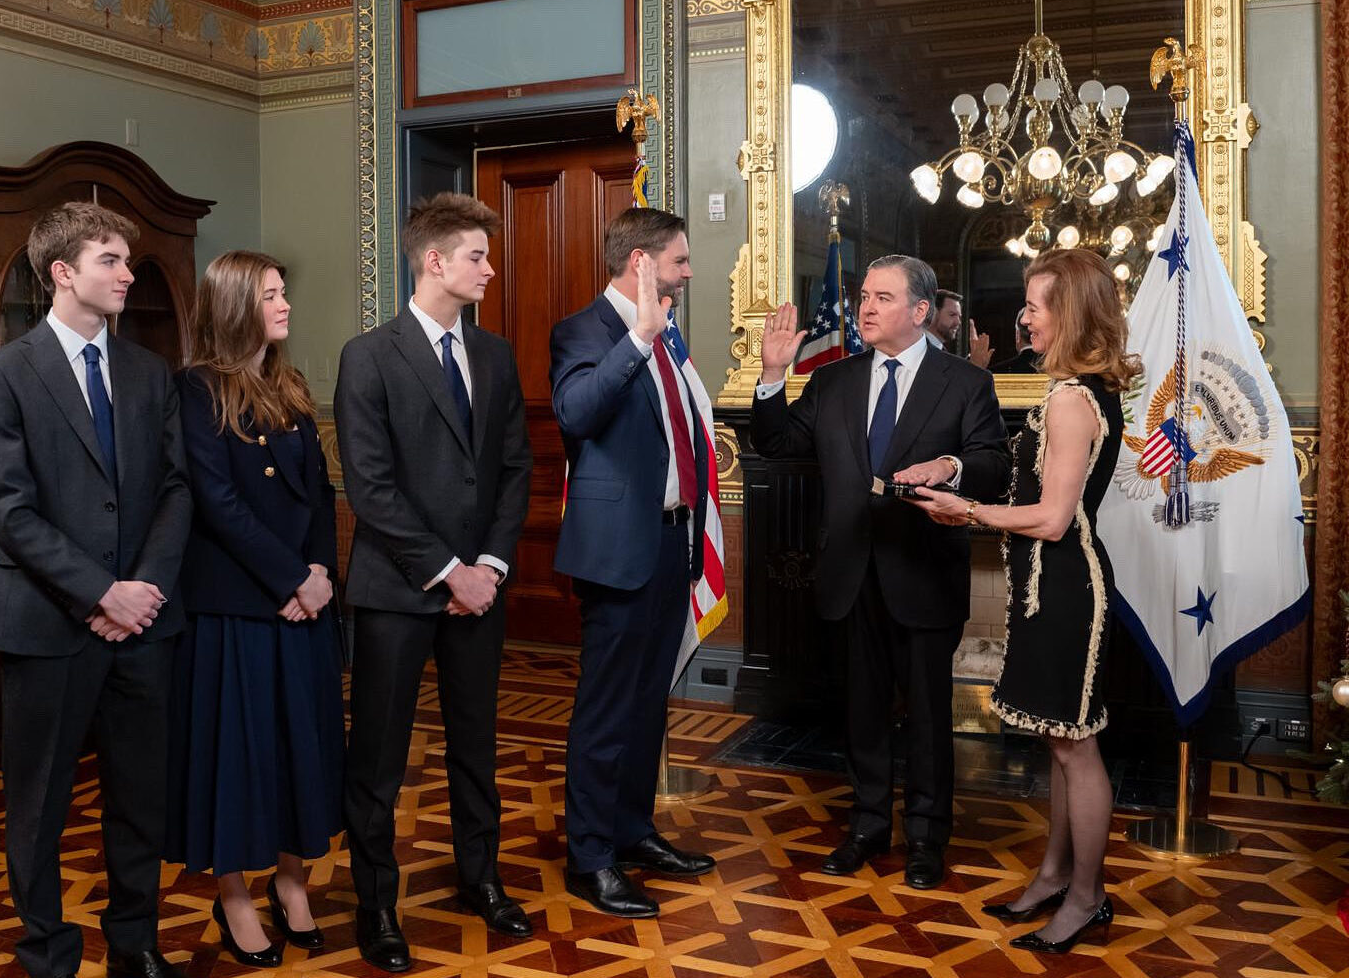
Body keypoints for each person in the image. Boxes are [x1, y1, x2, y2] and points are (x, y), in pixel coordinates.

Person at [0, 202, 191, 978]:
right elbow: (11, 512)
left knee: (141, 796)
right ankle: (47, 954)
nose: (128, 274)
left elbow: (176, 488)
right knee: (39, 805)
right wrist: (102, 594)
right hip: (47, 623)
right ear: (63, 273)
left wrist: (144, 591)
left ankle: (134, 943)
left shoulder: (149, 371)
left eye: (128, 261)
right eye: (110, 260)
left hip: (146, 623)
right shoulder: (2, 373)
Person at [752, 254, 1009, 890]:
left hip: (922, 571)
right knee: (861, 711)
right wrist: (772, 374)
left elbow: (992, 462)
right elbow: (777, 444)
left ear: (920, 312)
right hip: (848, 573)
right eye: (864, 296)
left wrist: (947, 467)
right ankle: (867, 825)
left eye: (883, 298)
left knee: (927, 712)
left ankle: (925, 836)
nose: (865, 308)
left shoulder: (963, 383)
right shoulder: (834, 381)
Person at [908, 248, 1137, 953]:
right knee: (1060, 744)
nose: (1025, 318)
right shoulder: (1079, 388)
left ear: (1067, 314)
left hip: (1067, 590)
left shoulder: (1072, 399)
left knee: (1076, 748)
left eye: (1036, 306)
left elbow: (1052, 519)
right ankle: (1054, 875)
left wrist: (966, 510)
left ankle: (1087, 896)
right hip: (1047, 589)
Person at [334, 192, 534, 972]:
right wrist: (448, 571)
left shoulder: (495, 354)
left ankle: (481, 879)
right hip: (396, 591)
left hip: (482, 591)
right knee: (378, 757)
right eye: (478, 255)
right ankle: (377, 905)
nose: (490, 268)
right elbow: (370, 487)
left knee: (476, 746)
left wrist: (490, 567)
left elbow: (515, 469)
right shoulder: (370, 355)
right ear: (434, 261)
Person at [164, 251, 342, 968]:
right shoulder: (196, 389)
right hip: (236, 610)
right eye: (271, 294)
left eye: (284, 292)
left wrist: (323, 573)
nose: (286, 304)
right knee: (236, 760)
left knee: (306, 750)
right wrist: (290, 580)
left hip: (306, 605)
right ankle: (235, 894)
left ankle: (293, 882)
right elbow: (219, 505)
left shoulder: (288, 383)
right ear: (237, 305)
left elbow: (322, 492)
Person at [551, 207, 717, 919]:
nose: (688, 271)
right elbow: (577, 413)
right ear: (642, 263)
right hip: (618, 550)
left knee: (650, 703)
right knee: (607, 709)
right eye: (679, 260)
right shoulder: (583, 332)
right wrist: (639, 340)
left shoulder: (671, 335)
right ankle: (590, 857)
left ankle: (631, 830)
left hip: (670, 542)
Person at [928, 288, 993, 369]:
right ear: (932, 314)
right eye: (952, 315)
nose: (958, 322)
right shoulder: (918, 349)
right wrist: (975, 368)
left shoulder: (939, 351)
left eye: (959, 317)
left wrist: (973, 363)